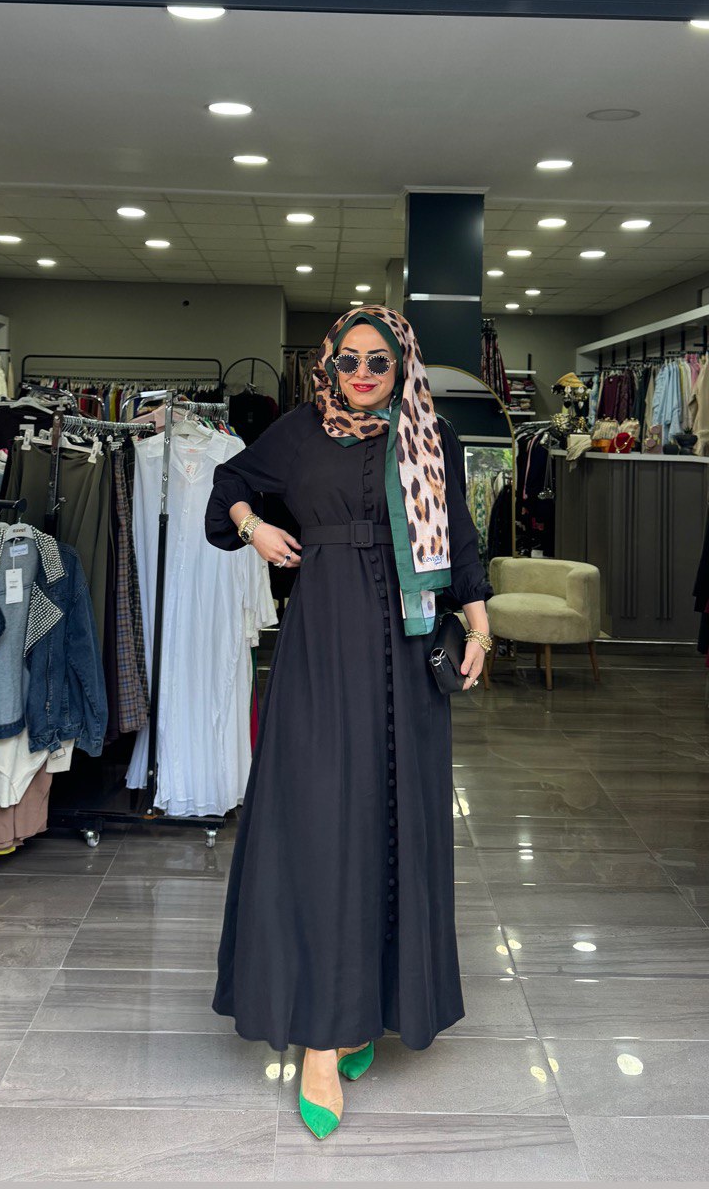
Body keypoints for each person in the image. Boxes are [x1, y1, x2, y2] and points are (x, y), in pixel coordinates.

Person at [205, 305, 492, 1140]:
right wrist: (255, 527)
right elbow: (227, 486)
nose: (363, 374)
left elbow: (460, 538)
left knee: (392, 824)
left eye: (379, 361)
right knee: (324, 823)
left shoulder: (433, 438)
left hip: (410, 651)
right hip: (324, 646)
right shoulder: (299, 433)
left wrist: (479, 626)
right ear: (327, 364)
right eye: (349, 360)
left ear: (402, 365)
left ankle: (367, 1007)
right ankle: (322, 1037)